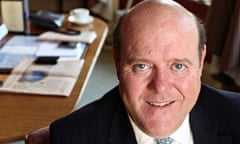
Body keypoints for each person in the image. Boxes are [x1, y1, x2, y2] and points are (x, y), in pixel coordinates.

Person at [50, 0, 240, 143]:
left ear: (200, 63)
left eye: (178, 66)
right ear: (117, 63)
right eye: (142, 66)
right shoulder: (71, 137)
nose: (160, 87)